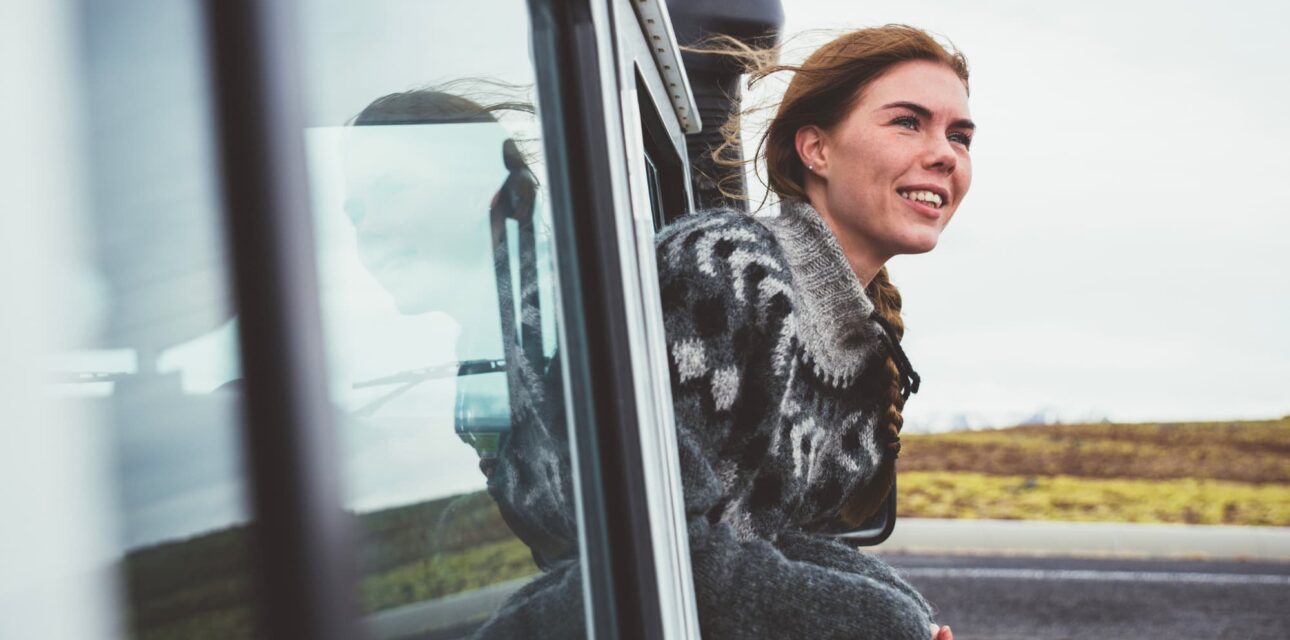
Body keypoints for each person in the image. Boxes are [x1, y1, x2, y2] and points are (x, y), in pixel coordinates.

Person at [475, 24, 972, 640]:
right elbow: (658, 544)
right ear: (816, 148)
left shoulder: (864, 344)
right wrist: (885, 622)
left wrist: (912, 619)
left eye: (959, 135)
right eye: (908, 122)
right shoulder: (725, 267)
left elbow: (774, 541)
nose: (945, 153)